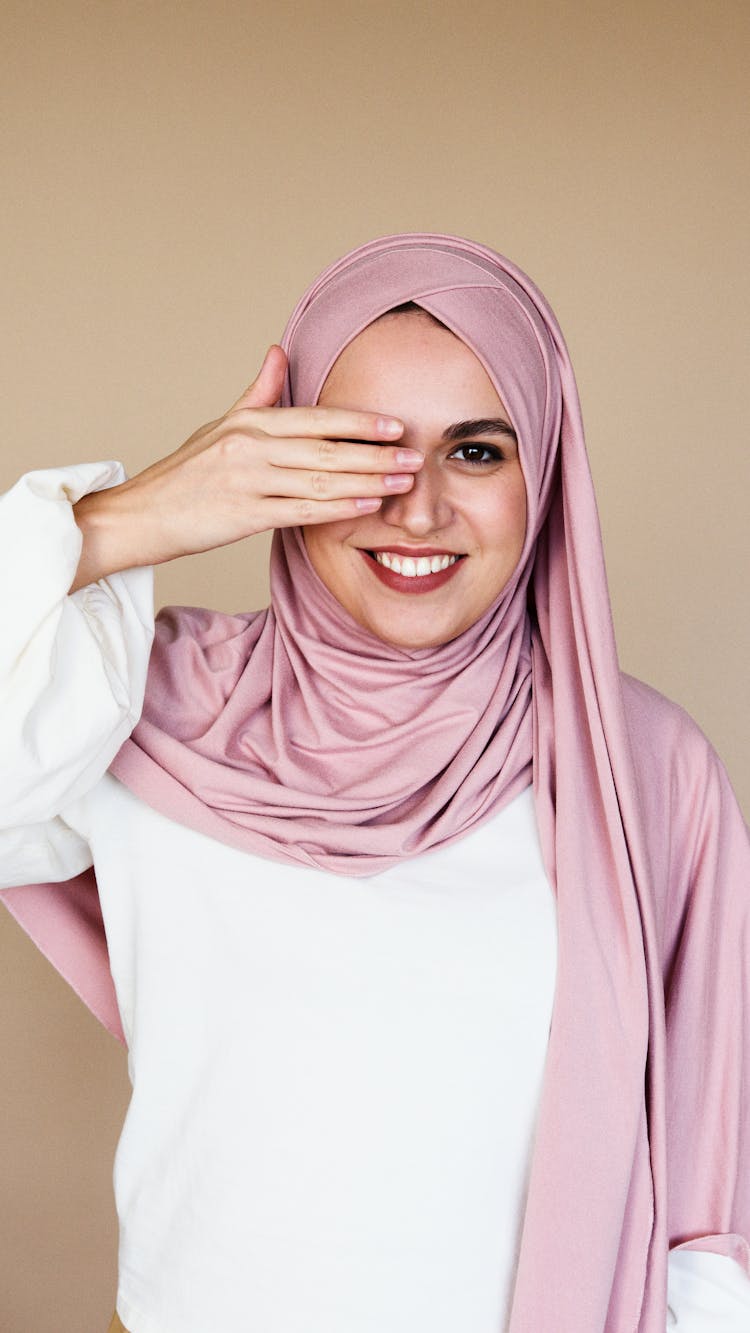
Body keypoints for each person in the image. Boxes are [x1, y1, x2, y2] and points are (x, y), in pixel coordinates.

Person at [0, 233, 748, 1333]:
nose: (418, 508)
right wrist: (135, 515)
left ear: (547, 472)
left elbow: (710, 1203)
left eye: (479, 452)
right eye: (364, 448)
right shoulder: (142, 705)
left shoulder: (643, 766)